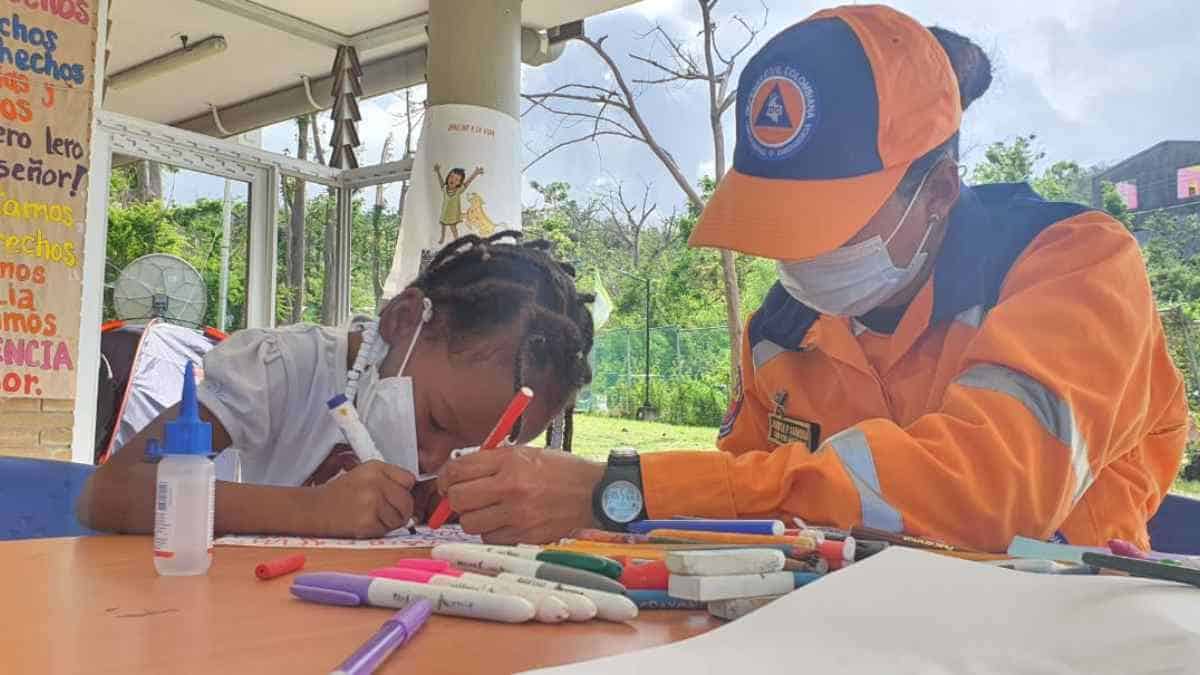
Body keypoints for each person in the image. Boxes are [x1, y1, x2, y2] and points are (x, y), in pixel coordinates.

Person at [437, 5, 1187, 552]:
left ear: (938, 193)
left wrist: (623, 490)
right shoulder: (778, 333)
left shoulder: (1075, 267)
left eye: (828, 221)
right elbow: (736, 507)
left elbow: (986, 492)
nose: (798, 256)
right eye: (778, 222)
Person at [77, 232, 594, 539]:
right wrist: (312, 511)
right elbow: (109, 494)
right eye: (436, 421)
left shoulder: (453, 440)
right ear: (403, 319)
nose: (435, 459)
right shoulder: (283, 368)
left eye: (468, 449)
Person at [435, 164, 484, 244]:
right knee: (443, 226)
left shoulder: (458, 191)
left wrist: (475, 173)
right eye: (451, 177)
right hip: (444, 213)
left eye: (457, 179)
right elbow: (441, 181)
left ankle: (457, 240)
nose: (453, 180)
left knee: (453, 228)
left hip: (453, 215)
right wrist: (438, 172)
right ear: (448, 177)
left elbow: (468, 182)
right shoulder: (445, 189)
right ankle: (442, 237)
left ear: (459, 183)